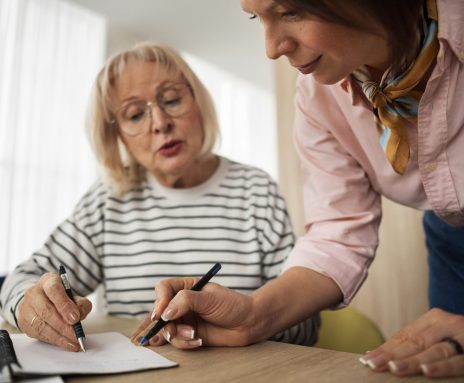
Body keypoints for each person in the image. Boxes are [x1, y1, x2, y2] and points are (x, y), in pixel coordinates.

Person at [137, 0, 464, 378]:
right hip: (455, 246)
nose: (272, 48)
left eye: (290, 12)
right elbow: (337, 235)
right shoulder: (316, 95)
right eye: (256, 18)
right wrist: (253, 315)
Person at [0, 42, 319, 351]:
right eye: (135, 115)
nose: (160, 123)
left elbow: (306, 322)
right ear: (117, 136)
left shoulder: (256, 191)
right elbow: (22, 280)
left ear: (198, 101)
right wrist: (29, 305)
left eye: (171, 99)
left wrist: (239, 321)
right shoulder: (108, 201)